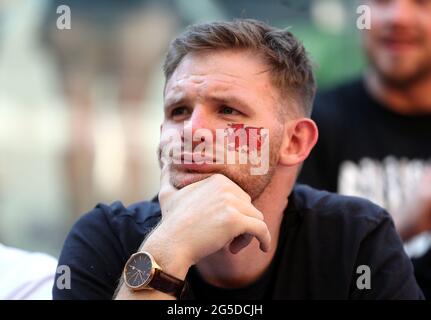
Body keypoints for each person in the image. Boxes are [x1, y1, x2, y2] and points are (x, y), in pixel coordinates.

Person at [53, 19, 423, 300]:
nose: (192, 131)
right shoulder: (104, 239)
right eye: (179, 110)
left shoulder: (357, 241)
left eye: (228, 110)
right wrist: (167, 251)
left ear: (295, 141)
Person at [299, 0, 431, 299]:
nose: (398, 17)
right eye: (382, 2)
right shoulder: (310, 128)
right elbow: (299, 268)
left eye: (421, 3)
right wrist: (410, 221)